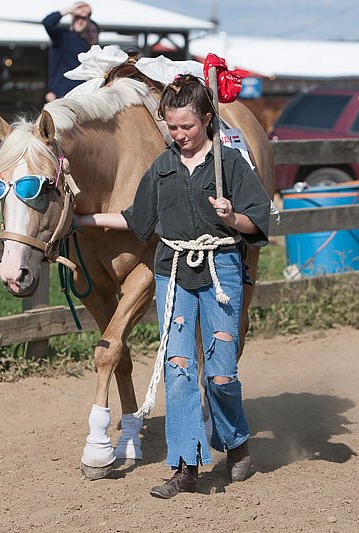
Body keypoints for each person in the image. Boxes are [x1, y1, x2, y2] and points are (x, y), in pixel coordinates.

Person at [74, 74, 271, 499]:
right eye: (172, 127)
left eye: (188, 127)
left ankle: (235, 443)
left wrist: (231, 217)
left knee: (219, 374)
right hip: (175, 272)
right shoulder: (162, 167)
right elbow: (135, 218)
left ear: (206, 119)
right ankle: (186, 467)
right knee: (178, 371)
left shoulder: (229, 163)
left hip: (222, 271)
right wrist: (83, 221)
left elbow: (258, 220)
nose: (179, 135)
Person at [42, 2, 95, 103]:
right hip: (60, 96)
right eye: (77, 17)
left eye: (84, 18)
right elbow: (47, 22)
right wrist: (70, 9)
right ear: (72, 17)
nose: (80, 21)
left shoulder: (89, 44)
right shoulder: (62, 36)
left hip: (82, 98)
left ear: (88, 20)